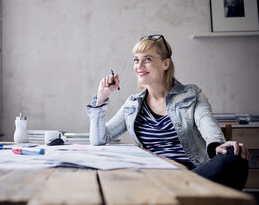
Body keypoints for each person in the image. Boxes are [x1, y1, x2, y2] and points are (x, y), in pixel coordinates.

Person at [87, 34, 249, 190]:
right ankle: (175, 192)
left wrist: (219, 146)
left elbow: (208, 124)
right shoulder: (132, 104)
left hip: (194, 174)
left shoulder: (191, 94)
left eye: (147, 59)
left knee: (235, 157)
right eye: (136, 60)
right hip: (153, 177)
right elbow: (99, 139)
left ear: (165, 64)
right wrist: (102, 97)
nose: (139, 66)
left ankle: (173, 190)